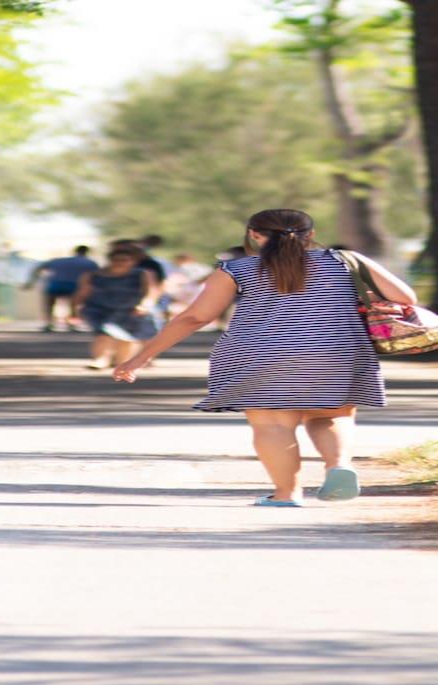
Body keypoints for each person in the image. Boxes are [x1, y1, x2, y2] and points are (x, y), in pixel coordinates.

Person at [115, 208, 415, 507]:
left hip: (259, 353)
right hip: (335, 351)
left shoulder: (236, 269)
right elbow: (405, 298)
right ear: (310, 235)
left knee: (273, 424)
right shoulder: (344, 261)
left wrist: (140, 358)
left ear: (254, 235)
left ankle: (286, 494)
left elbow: (196, 317)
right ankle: (338, 465)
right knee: (330, 414)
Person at [73, 243, 161, 370]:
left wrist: (145, 305)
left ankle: (123, 363)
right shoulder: (94, 275)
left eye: (125, 260)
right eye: (116, 260)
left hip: (131, 310)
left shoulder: (142, 274)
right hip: (101, 310)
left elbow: (151, 292)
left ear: (133, 261)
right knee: (104, 333)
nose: (120, 263)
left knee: (127, 338)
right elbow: (83, 292)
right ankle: (101, 359)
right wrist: (76, 308)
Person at [28, 246, 98, 330]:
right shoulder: (89, 263)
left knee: (50, 304)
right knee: (74, 305)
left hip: (55, 284)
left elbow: (39, 268)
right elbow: (97, 275)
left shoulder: (60, 260)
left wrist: (31, 281)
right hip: (74, 285)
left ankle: (49, 322)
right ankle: (72, 323)